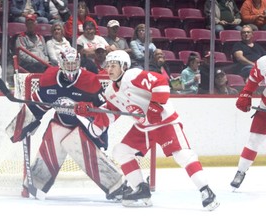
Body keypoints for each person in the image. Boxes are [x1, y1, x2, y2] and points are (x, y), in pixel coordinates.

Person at [73, 50, 220, 210]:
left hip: (164, 122)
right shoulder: (110, 91)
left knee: (183, 155)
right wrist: (90, 111)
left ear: (123, 66)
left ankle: (206, 191)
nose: (109, 69)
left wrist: (155, 106)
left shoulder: (133, 76)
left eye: (113, 65)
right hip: (144, 128)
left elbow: (160, 81)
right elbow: (110, 114)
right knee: (121, 151)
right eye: (108, 66)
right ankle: (141, 190)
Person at [6, 47, 124, 200]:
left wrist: (90, 112)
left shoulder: (90, 81)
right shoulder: (49, 79)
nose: (71, 67)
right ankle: (35, 183)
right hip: (61, 121)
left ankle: (116, 185)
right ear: (60, 63)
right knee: (54, 134)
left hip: (85, 127)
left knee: (75, 142)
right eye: (67, 64)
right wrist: (20, 125)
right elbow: (38, 104)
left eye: (74, 64)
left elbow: (103, 111)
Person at [230, 54, 266, 190]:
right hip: (265, 106)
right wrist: (246, 93)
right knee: (254, 140)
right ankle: (241, 172)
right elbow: (253, 79)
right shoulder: (264, 62)